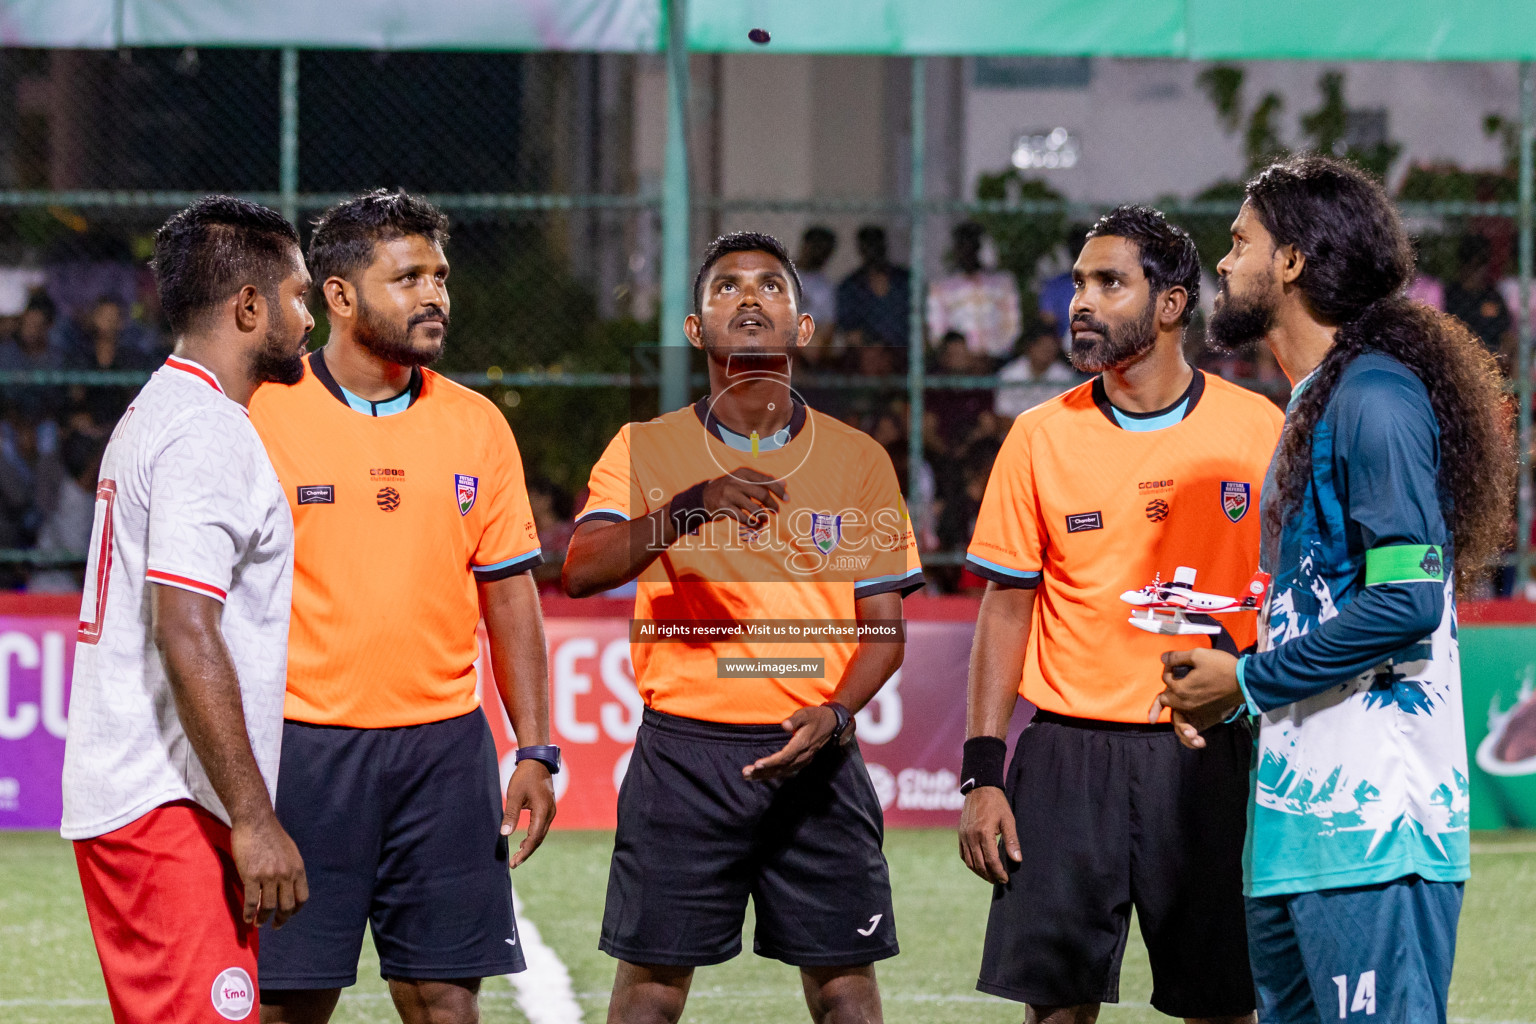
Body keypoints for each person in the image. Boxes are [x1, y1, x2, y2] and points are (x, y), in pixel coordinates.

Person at [1155, 156, 1514, 1024]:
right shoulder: (1314, 403)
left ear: (1292, 261)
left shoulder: (1376, 400)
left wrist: (1242, 682)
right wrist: (1232, 684)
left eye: (1240, 242)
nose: (1225, 262)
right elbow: (1326, 601)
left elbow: (1407, 602)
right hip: (1295, 828)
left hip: (1377, 832)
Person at [564, 231, 923, 1024]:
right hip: (685, 756)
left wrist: (835, 714)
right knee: (652, 993)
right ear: (696, 331)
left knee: (845, 993)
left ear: (803, 328)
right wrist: (690, 504)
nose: (750, 297)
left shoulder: (859, 458)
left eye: (771, 286)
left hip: (817, 755)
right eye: (726, 287)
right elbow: (581, 567)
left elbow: (886, 628)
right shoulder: (644, 446)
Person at [957, 205, 1285, 1024]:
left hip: (1214, 750)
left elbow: (1288, 597)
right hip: (1068, 756)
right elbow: (1005, 610)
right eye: (1077, 283)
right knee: (1058, 1010)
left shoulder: (1260, 429)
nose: (1081, 301)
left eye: (1110, 282)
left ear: (1171, 304)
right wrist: (983, 773)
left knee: (1223, 1005)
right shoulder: (1038, 436)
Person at [248, 189, 556, 1024]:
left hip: (444, 756)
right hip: (304, 753)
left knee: (445, 1001)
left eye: (441, 275)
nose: (434, 294)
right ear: (339, 296)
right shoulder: (260, 415)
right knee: (288, 1003)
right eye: (408, 276)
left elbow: (510, 592)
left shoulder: (478, 424)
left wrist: (537, 746)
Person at [60, 195, 314, 1024]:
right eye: (299, 295)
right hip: (166, 805)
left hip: (147, 802)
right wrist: (254, 818)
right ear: (249, 307)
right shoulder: (206, 430)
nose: (308, 317)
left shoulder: (161, 409)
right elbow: (185, 625)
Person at [926, 220, 1021, 363]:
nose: (967, 253)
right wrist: (962, 356)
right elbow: (937, 332)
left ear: (980, 248)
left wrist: (991, 354)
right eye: (962, 247)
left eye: (972, 247)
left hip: (996, 360)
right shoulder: (941, 287)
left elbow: (1012, 326)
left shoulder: (1003, 283)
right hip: (957, 362)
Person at [836, 225, 911, 350]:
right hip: (866, 354)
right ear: (860, 249)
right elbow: (850, 332)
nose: (873, 251)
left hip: (903, 352)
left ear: (884, 246)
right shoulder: (850, 286)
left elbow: (919, 325)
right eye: (867, 245)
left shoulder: (904, 280)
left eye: (876, 245)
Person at [993, 313, 1077, 419]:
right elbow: (1003, 415)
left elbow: (1068, 417)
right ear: (1030, 347)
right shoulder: (1009, 375)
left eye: (1050, 347)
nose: (1046, 351)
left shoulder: (1066, 377)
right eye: (1041, 346)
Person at [797, 225, 839, 354]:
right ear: (805, 245)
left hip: (810, 338)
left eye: (825, 251)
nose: (820, 254)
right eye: (816, 247)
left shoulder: (826, 287)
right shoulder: (781, 274)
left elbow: (829, 326)